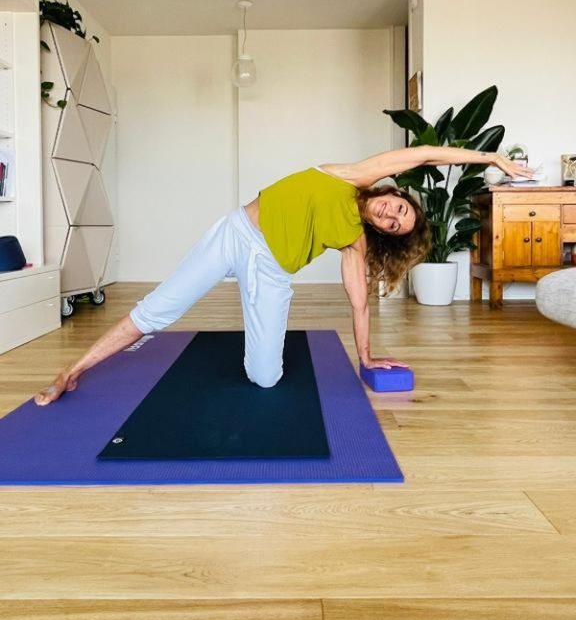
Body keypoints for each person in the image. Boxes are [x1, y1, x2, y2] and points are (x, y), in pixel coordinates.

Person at [34, 145, 532, 405]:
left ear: (386, 232)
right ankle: (70, 372)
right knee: (157, 310)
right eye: (397, 208)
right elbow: (423, 154)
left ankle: (256, 346)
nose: (389, 215)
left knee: (266, 379)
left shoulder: (354, 242)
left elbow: (359, 302)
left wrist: (366, 355)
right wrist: (489, 158)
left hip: (271, 270)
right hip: (235, 233)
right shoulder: (351, 174)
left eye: (395, 225)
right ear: (395, 193)